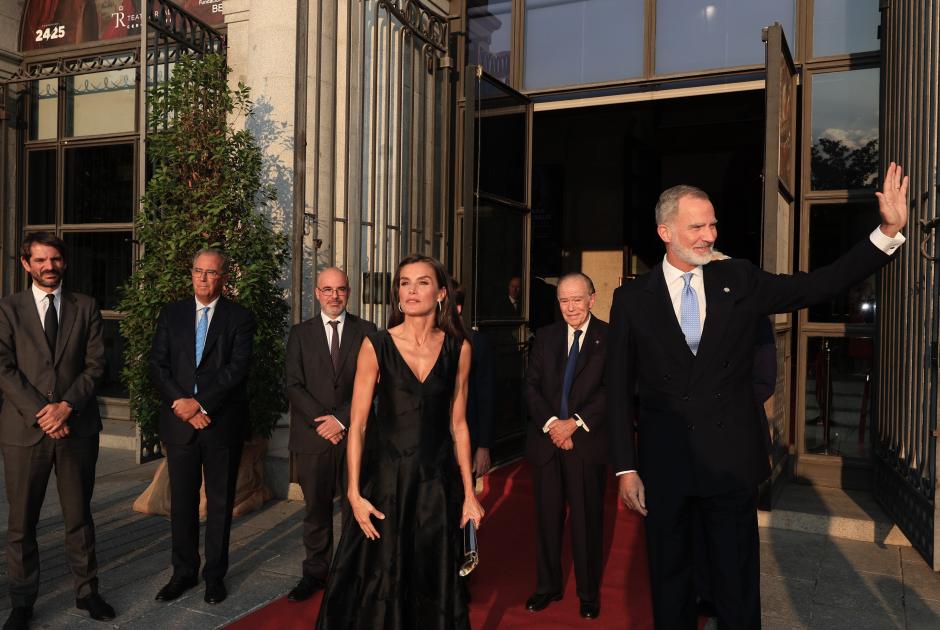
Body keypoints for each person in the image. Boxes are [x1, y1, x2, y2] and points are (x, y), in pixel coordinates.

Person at [607, 163, 909, 629]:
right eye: (697, 226)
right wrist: (626, 467)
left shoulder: (739, 279)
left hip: (729, 465)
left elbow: (816, 284)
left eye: (713, 224)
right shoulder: (631, 300)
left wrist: (886, 232)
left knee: (737, 586)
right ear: (665, 231)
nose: (709, 235)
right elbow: (617, 387)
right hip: (665, 467)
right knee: (670, 584)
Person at [316, 254, 485, 630]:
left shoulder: (460, 349)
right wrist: (355, 495)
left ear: (441, 293)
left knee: (430, 576)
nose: (411, 290)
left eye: (422, 282)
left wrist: (469, 493)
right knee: (380, 577)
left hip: (436, 485)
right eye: (404, 283)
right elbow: (357, 426)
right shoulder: (376, 345)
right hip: (387, 484)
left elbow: (458, 425)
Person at [0, 232, 114, 630]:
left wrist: (66, 407)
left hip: (77, 428)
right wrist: (42, 413)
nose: (50, 267)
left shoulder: (86, 307)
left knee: (79, 516)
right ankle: (22, 602)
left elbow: (96, 365)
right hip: (24, 432)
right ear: (26, 264)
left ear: (64, 262)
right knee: (21, 522)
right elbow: (4, 369)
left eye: (56, 260)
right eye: (41, 260)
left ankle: (87, 591)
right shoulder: (8, 309)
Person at [149, 248, 256, 606]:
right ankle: (183, 572)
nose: (204, 278)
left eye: (212, 273)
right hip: (181, 423)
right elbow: (158, 365)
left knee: (220, 503)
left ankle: (215, 576)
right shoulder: (172, 313)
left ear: (223, 277)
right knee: (181, 503)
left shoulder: (239, 318)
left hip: (220, 423)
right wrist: (183, 405)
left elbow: (236, 370)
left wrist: (201, 402)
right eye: (198, 271)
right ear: (191, 273)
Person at [284, 267, 376, 601]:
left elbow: (374, 385)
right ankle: (315, 574)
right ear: (317, 293)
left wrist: (341, 420)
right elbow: (292, 384)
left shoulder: (367, 331)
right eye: (327, 289)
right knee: (315, 512)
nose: (334, 296)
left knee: (357, 510)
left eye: (340, 290)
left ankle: (354, 574)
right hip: (313, 438)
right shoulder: (299, 334)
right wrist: (324, 422)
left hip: (354, 437)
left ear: (348, 292)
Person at [523, 272, 608, 620]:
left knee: (587, 521)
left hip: (586, 443)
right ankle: (547, 586)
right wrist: (552, 426)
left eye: (577, 299)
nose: (570, 307)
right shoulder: (544, 337)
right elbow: (531, 386)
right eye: (564, 300)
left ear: (592, 298)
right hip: (547, 443)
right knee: (546, 519)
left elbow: (613, 389)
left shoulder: (611, 338)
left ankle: (587, 593)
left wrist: (574, 423)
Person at [453, 281, 495, 477]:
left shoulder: (476, 342)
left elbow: (486, 396)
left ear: (457, 308)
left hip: (466, 438)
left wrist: (483, 446)